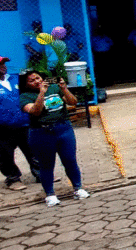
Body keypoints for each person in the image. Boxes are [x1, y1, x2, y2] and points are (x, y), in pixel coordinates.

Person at [20, 70, 89, 206]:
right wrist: (41, 93)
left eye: (38, 78)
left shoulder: (54, 88)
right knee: (46, 165)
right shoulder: (25, 96)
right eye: (32, 80)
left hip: (63, 128)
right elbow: (35, 111)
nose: (37, 81)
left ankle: (78, 188)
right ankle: (50, 194)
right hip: (42, 132)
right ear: (26, 84)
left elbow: (73, 102)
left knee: (70, 160)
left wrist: (64, 88)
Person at [0, 54, 40, 191]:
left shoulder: (16, 79)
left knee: (33, 150)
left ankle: (41, 174)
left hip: (24, 124)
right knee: (5, 155)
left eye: (3, 63)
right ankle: (13, 179)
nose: (3, 66)